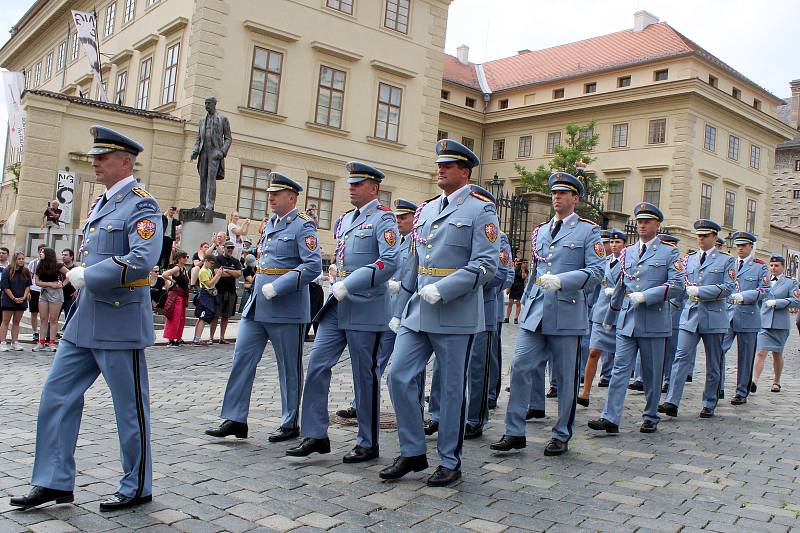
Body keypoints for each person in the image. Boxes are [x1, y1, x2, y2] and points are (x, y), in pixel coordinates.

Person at [10, 125, 162, 511]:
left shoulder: (142, 204)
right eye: (95, 156)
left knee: (130, 408)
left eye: (103, 156)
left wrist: (88, 275)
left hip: (119, 320)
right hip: (85, 320)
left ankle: (137, 485)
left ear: (125, 161)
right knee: (57, 396)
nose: (95, 162)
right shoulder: (101, 202)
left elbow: (143, 260)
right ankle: (53, 480)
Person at [380, 139, 498, 487]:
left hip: (455, 311)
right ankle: (413, 451)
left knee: (448, 390)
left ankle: (449, 460)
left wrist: (444, 288)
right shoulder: (427, 210)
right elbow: (414, 262)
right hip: (419, 309)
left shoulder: (482, 210)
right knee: (398, 375)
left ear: (465, 171)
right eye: (439, 164)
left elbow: (486, 265)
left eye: (448, 165)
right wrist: (401, 306)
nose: (440, 169)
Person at [287, 162, 398, 464]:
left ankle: (368, 441)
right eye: (350, 183)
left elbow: (388, 262)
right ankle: (315, 434)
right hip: (337, 305)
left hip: (366, 305)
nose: (351, 187)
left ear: (373, 188)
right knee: (317, 365)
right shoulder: (348, 219)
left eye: (358, 183)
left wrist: (350, 282)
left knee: (365, 375)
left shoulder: (383, 220)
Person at [490, 171, 603, 457]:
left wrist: (566, 280)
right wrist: (526, 300)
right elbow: (536, 272)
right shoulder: (540, 230)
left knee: (565, 378)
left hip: (567, 311)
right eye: (554, 193)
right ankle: (514, 431)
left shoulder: (588, 231)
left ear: (575, 198)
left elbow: (598, 271)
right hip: (537, 311)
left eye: (563, 193)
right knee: (520, 367)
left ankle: (562, 433)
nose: (556, 197)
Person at [206, 173, 321, 443]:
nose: (270, 197)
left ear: (291, 197)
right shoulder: (270, 222)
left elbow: (313, 266)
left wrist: (279, 286)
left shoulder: (304, 226)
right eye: (270, 193)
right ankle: (235, 418)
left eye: (277, 193)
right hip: (258, 304)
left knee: (288, 367)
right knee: (242, 359)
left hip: (286, 306)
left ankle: (290, 422)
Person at [587, 204, 683, 435]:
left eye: (647, 221)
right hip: (627, 321)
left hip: (654, 321)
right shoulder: (628, 252)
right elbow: (621, 285)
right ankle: (610, 417)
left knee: (651, 373)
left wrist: (648, 296)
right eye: (639, 221)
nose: (642, 225)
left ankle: (650, 415)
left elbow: (678, 285)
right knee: (620, 369)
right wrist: (610, 317)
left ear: (657, 225)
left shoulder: (669, 252)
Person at [336, 198, 417, 420]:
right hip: (386, 308)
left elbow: (415, 278)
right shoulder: (396, 241)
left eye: (404, 217)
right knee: (378, 359)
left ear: (414, 218)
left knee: (409, 365)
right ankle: (358, 403)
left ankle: (415, 409)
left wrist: (401, 297)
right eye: (397, 217)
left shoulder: (416, 243)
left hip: (408, 311)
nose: (399, 221)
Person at [660, 219, 736, 419]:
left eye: (704, 236)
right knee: (680, 358)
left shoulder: (726, 260)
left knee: (713, 363)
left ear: (714, 237)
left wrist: (702, 291)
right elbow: (680, 285)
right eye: (698, 235)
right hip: (691, 314)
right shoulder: (689, 260)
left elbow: (729, 287)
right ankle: (671, 401)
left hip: (714, 317)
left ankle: (709, 402)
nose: (700, 239)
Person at [464, 224, 512, 439]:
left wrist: (462, 279)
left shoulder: (498, 238)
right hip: (455, 306)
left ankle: (477, 414)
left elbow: (503, 275)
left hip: (485, 306)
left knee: (480, 363)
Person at [578, 228, 626, 406]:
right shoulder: (604, 262)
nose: (613, 245)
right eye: (612, 242)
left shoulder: (628, 263)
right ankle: (585, 392)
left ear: (624, 244)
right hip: (601, 312)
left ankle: (614, 394)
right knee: (593, 352)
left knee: (619, 358)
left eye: (617, 242)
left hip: (620, 313)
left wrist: (620, 292)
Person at [721, 232, 768, 405]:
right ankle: (718, 387)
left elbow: (765, 291)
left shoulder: (760, 267)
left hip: (748, 315)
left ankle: (741, 391)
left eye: (743, 245)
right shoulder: (729, 263)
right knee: (718, 350)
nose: (740, 248)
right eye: (738, 245)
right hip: (727, 315)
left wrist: (744, 296)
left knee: (745, 356)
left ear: (751, 247)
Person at [751, 254, 799, 393]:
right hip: (763, 322)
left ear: (783, 267)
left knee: (777, 354)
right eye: (771, 265)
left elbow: (796, 301)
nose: (773, 268)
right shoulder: (764, 280)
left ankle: (776, 381)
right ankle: (754, 381)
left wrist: (778, 303)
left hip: (780, 324)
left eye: (777, 265)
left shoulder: (790, 282)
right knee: (760, 352)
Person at [190, 96, 232, 212]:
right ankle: (202, 204)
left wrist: (222, 151)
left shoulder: (222, 119)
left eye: (208, 103)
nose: (206, 106)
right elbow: (198, 138)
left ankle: (210, 204)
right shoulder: (202, 120)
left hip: (215, 152)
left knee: (211, 179)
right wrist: (195, 150)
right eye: (205, 103)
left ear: (214, 104)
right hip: (203, 152)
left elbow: (228, 138)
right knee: (203, 178)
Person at [32, 247, 70, 353]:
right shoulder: (40, 265)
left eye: (43, 252)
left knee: (53, 319)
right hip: (44, 292)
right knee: (43, 318)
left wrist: (62, 284)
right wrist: (50, 284)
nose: (40, 253)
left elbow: (69, 275)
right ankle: (41, 342)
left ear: (48, 254)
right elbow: (37, 282)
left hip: (56, 293)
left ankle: (52, 343)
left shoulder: (57, 265)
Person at [211, 241, 241, 343]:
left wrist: (226, 271)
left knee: (226, 316)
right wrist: (231, 273)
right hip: (219, 291)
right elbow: (217, 273)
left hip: (231, 291)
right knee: (215, 315)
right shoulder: (218, 259)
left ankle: (222, 337)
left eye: (232, 248)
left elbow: (238, 274)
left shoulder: (236, 261)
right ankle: (211, 337)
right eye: (228, 247)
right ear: (224, 248)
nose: (230, 249)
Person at [0, 251, 31, 351]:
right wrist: (13, 298)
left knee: (16, 322)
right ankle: (2, 342)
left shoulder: (26, 271)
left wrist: (24, 296)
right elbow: (5, 286)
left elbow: (28, 285)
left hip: (21, 300)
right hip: (8, 300)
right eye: (19, 259)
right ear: (15, 260)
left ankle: (15, 342)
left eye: (22, 259)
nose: (21, 260)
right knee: (5, 321)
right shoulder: (7, 270)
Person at [161, 250, 191, 346]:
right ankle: (171, 339)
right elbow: (164, 274)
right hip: (176, 296)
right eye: (184, 257)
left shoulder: (183, 269)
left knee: (181, 318)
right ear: (179, 258)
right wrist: (172, 281)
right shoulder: (177, 268)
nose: (186, 259)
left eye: (187, 257)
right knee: (174, 317)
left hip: (181, 296)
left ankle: (178, 337)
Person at [193, 255, 223, 345]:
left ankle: (197, 338)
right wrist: (217, 275)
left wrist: (218, 275)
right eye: (211, 263)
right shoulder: (203, 271)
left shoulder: (209, 271)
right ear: (206, 261)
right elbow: (209, 284)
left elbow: (213, 283)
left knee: (202, 318)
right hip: (205, 294)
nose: (211, 265)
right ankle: (197, 339)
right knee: (202, 317)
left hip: (208, 294)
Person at [28, 244, 46, 343]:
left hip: (45, 290)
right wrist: (28, 291)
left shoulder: (49, 264)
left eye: (43, 251)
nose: (41, 253)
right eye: (40, 251)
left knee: (45, 313)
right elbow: (29, 277)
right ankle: (35, 331)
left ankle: (44, 333)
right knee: (34, 311)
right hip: (34, 289)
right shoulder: (33, 263)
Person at [504, 250, 527, 323]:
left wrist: (523, 269)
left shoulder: (524, 266)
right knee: (510, 302)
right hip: (513, 286)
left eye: (520, 254)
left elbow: (524, 277)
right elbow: (511, 276)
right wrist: (508, 288)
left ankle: (516, 318)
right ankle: (507, 318)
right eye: (517, 254)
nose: (518, 255)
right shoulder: (514, 266)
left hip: (520, 287)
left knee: (518, 303)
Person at [60, 249, 77, 323]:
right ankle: (50, 334)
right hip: (58, 296)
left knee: (70, 319)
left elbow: (81, 282)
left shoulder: (76, 269)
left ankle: (68, 334)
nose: (63, 257)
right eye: (62, 255)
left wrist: (77, 291)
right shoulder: (58, 267)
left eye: (66, 255)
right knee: (53, 318)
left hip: (70, 297)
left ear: (71, 257)